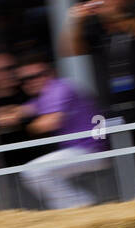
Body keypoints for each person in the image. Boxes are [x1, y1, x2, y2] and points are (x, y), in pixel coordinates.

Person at [12, 53, 108, 210]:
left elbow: (49, 123)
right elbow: (23, 110)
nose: (31, 82)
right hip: (84, 150)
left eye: (36, 76)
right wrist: (8, 116)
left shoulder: (59, 89)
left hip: (90, 150)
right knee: (38, 174)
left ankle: (82, 205)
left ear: (51, 73)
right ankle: (78, 207)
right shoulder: (47, 94)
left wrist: (26, 126)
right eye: (24, 80)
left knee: (33, 172)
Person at [60, 0, 135, 127]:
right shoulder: (94, 28)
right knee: (108, 145)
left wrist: (115, 16)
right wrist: (75, 21)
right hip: (105, 109)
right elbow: (69, 51)